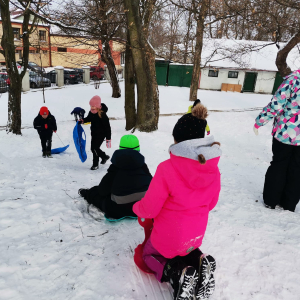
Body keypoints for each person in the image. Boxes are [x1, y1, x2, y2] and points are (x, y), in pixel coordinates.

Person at [133, 106, 222, 300]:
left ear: (177, 140)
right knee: (185, 248)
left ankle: (176, 273)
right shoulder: (213, 169)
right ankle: (200, 261)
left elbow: (150, 208)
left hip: (168, 235)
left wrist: (136, 207)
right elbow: (212, 203)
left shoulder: (167, 169)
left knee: (149, 255)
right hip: (195, 235)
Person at [254, 69, 300, 212]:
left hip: (286, 133)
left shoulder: (293, 80)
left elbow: (277, 105)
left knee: (279, 165)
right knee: (297, 168)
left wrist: (259, 121)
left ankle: (271, 200)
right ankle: (289, 203)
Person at [78, 135, 152, 219]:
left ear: (121, 148)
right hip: (142, 207)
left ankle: (86, 193)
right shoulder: (142, 165)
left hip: (118, 209)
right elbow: (152, 184)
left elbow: (102, 190)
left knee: (96, 193)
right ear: (138, 148)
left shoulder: (116, 166)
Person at [79, 95, 111, 170]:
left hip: (101, 134)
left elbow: (107, 127)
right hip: (94, 133)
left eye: (93, 106)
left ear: (97, 106)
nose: (92, 108)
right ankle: (104, 156)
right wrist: (83, 120)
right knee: (93, 148)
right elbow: (88, 119)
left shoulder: (102, 114)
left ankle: (95, 164)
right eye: (91, 106)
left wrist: (108, 138)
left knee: (95, 148)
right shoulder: (91, 112)